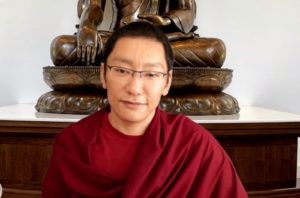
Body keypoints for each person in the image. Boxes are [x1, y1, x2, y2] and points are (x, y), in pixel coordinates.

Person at [42, 22, 247, 197]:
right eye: (122, 70)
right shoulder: (73, 146)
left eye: (151, 74)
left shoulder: (193, 145)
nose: (135, 88)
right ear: (104, 74)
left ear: (167, 82)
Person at [51, 0, 225, 67]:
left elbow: (186, 10)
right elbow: (93, 6)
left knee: (214, 49)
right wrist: (87, 27)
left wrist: (166, 21)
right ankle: (149, 66)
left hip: (158, 39)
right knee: (62, 47)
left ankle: (122, 65)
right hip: (120, 38)